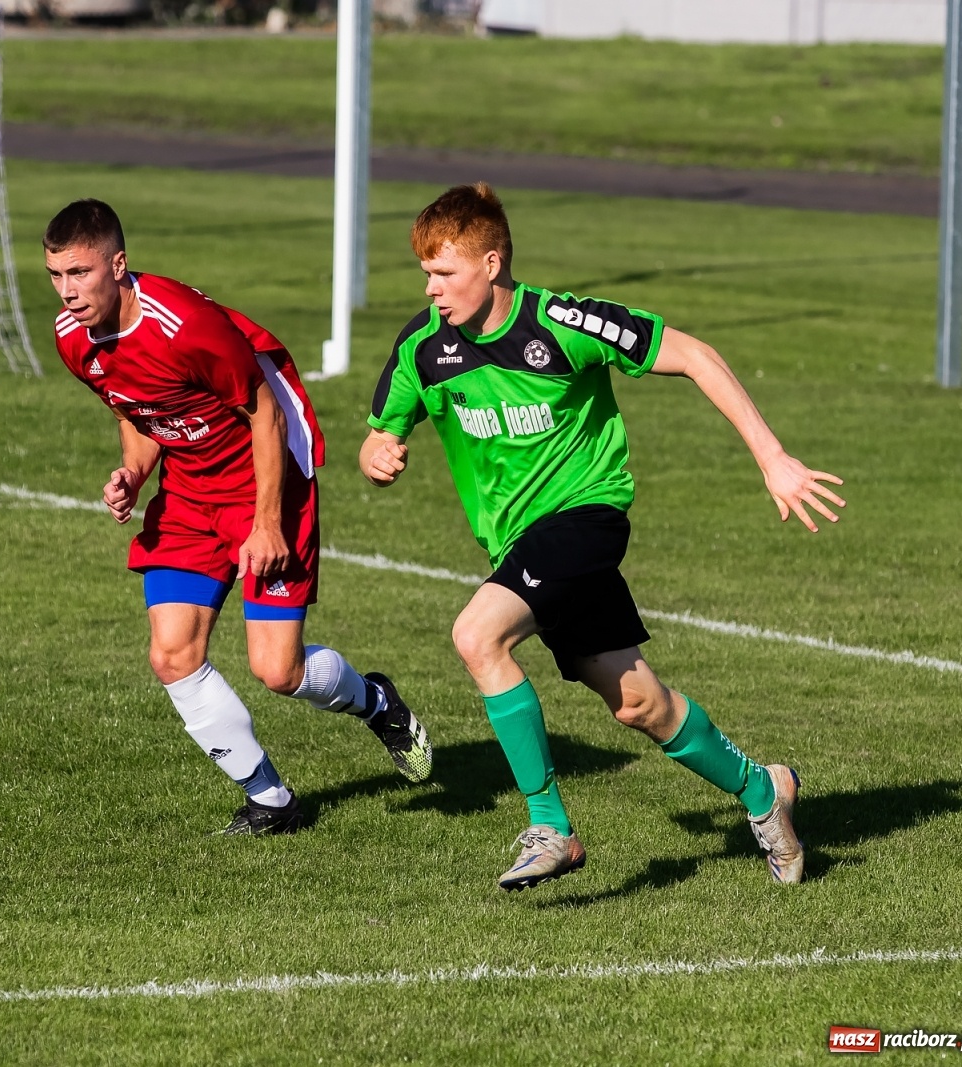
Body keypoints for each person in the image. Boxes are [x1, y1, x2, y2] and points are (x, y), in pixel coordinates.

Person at [360, 183, 844, 888]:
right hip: (521, 545)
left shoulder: (561, 321)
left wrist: (773, 458)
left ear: (492, 263)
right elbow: (381, 435)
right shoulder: (423, 347)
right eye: (426, 272)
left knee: (477, 634)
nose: (431, 288)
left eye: (446, 271)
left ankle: (550, 825)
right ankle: (764, 792)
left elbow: (696, 355)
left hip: (586, 519)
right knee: (639, 704)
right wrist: (377, 457)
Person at [45, 198, 433, 836]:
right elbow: (136, 412)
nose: (68, 293)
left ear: (118, 265)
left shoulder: (185, 325)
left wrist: (269, 521)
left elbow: (266, 412)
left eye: (80, 274)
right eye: (57, 276)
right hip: (189, 496)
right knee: (172, 655)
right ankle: (272, 801)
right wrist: (134, 474)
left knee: (278, 671)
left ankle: (375, 701)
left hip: (266, 485)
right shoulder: (73, 340)